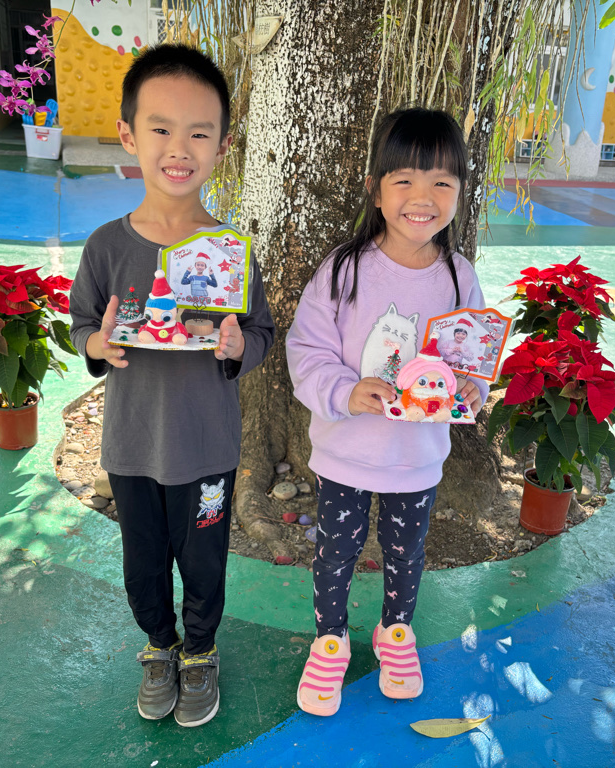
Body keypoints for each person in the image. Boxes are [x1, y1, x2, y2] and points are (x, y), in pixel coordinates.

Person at [68, 43, 274, 728]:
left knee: (205, 561)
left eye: (199, 132)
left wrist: (239, 346)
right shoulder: (107, 246)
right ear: (129, 134)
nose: (178, 148)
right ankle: (159, 644)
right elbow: (80, 325)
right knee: (143, 562)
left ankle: (201, 650)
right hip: (131, 446)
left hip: (207, 447)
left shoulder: (231, 251)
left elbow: (262, 332)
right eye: (160, 128)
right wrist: (97, 344)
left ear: (223, 146)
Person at [286, 107, 489, 716]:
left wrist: (471, 390)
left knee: (406, 553)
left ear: (459, 193)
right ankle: (330, 640)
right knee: (335, 553)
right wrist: (345, 391)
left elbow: (472, 360)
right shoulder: (344, 270)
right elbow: (306, 349)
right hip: (346, 454)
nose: (422, 198)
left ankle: (395, 633)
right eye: (405, 180)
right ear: (377, 191)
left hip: (416, 459)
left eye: (441, 183)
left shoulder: (460, 277)